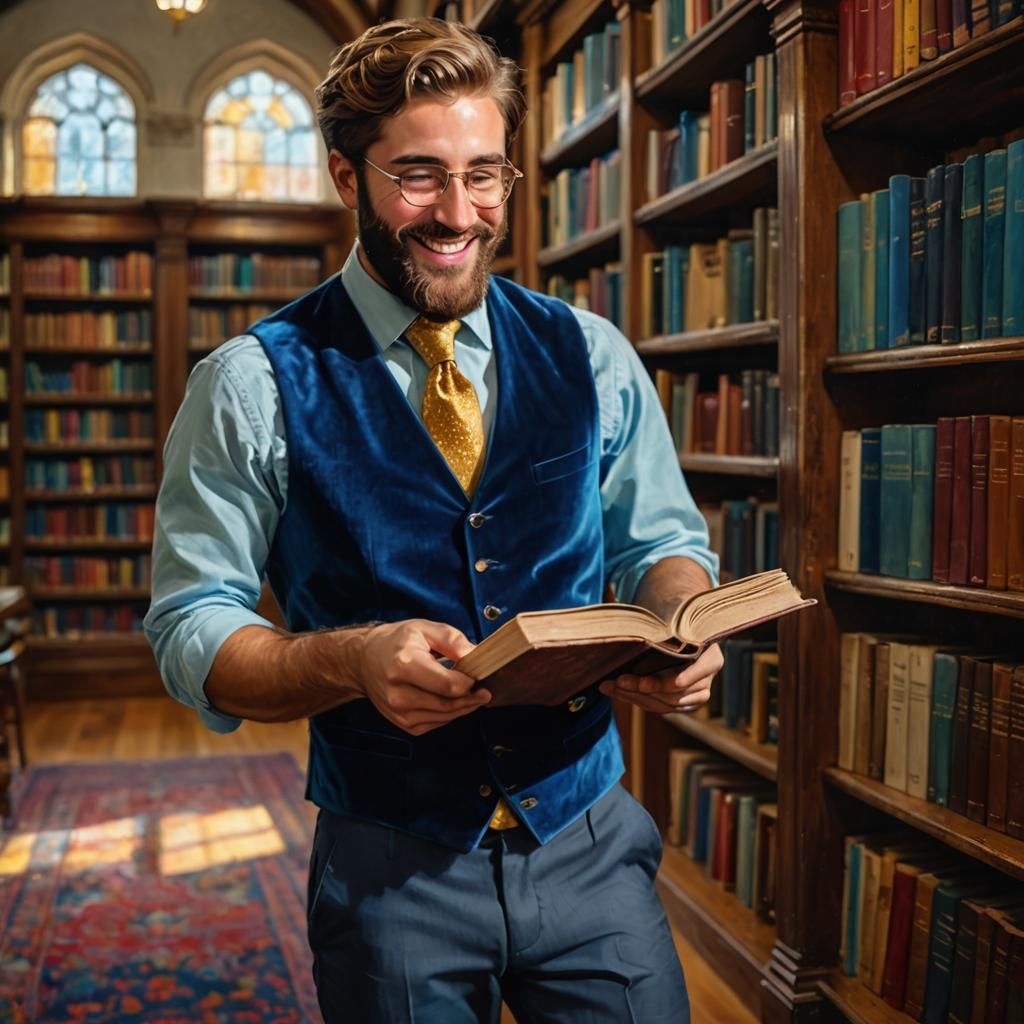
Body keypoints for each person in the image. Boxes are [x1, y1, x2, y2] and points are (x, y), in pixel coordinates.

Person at [145, 16, 722, 1023]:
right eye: (418, 175)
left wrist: (682, 618)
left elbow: (662, 545)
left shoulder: (592, 354)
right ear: (344, 174)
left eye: (485, 174)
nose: (459, 212)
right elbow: (191, 625)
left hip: (590, 840)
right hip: (387, 867)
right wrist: (351, 660)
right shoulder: (248, 384)